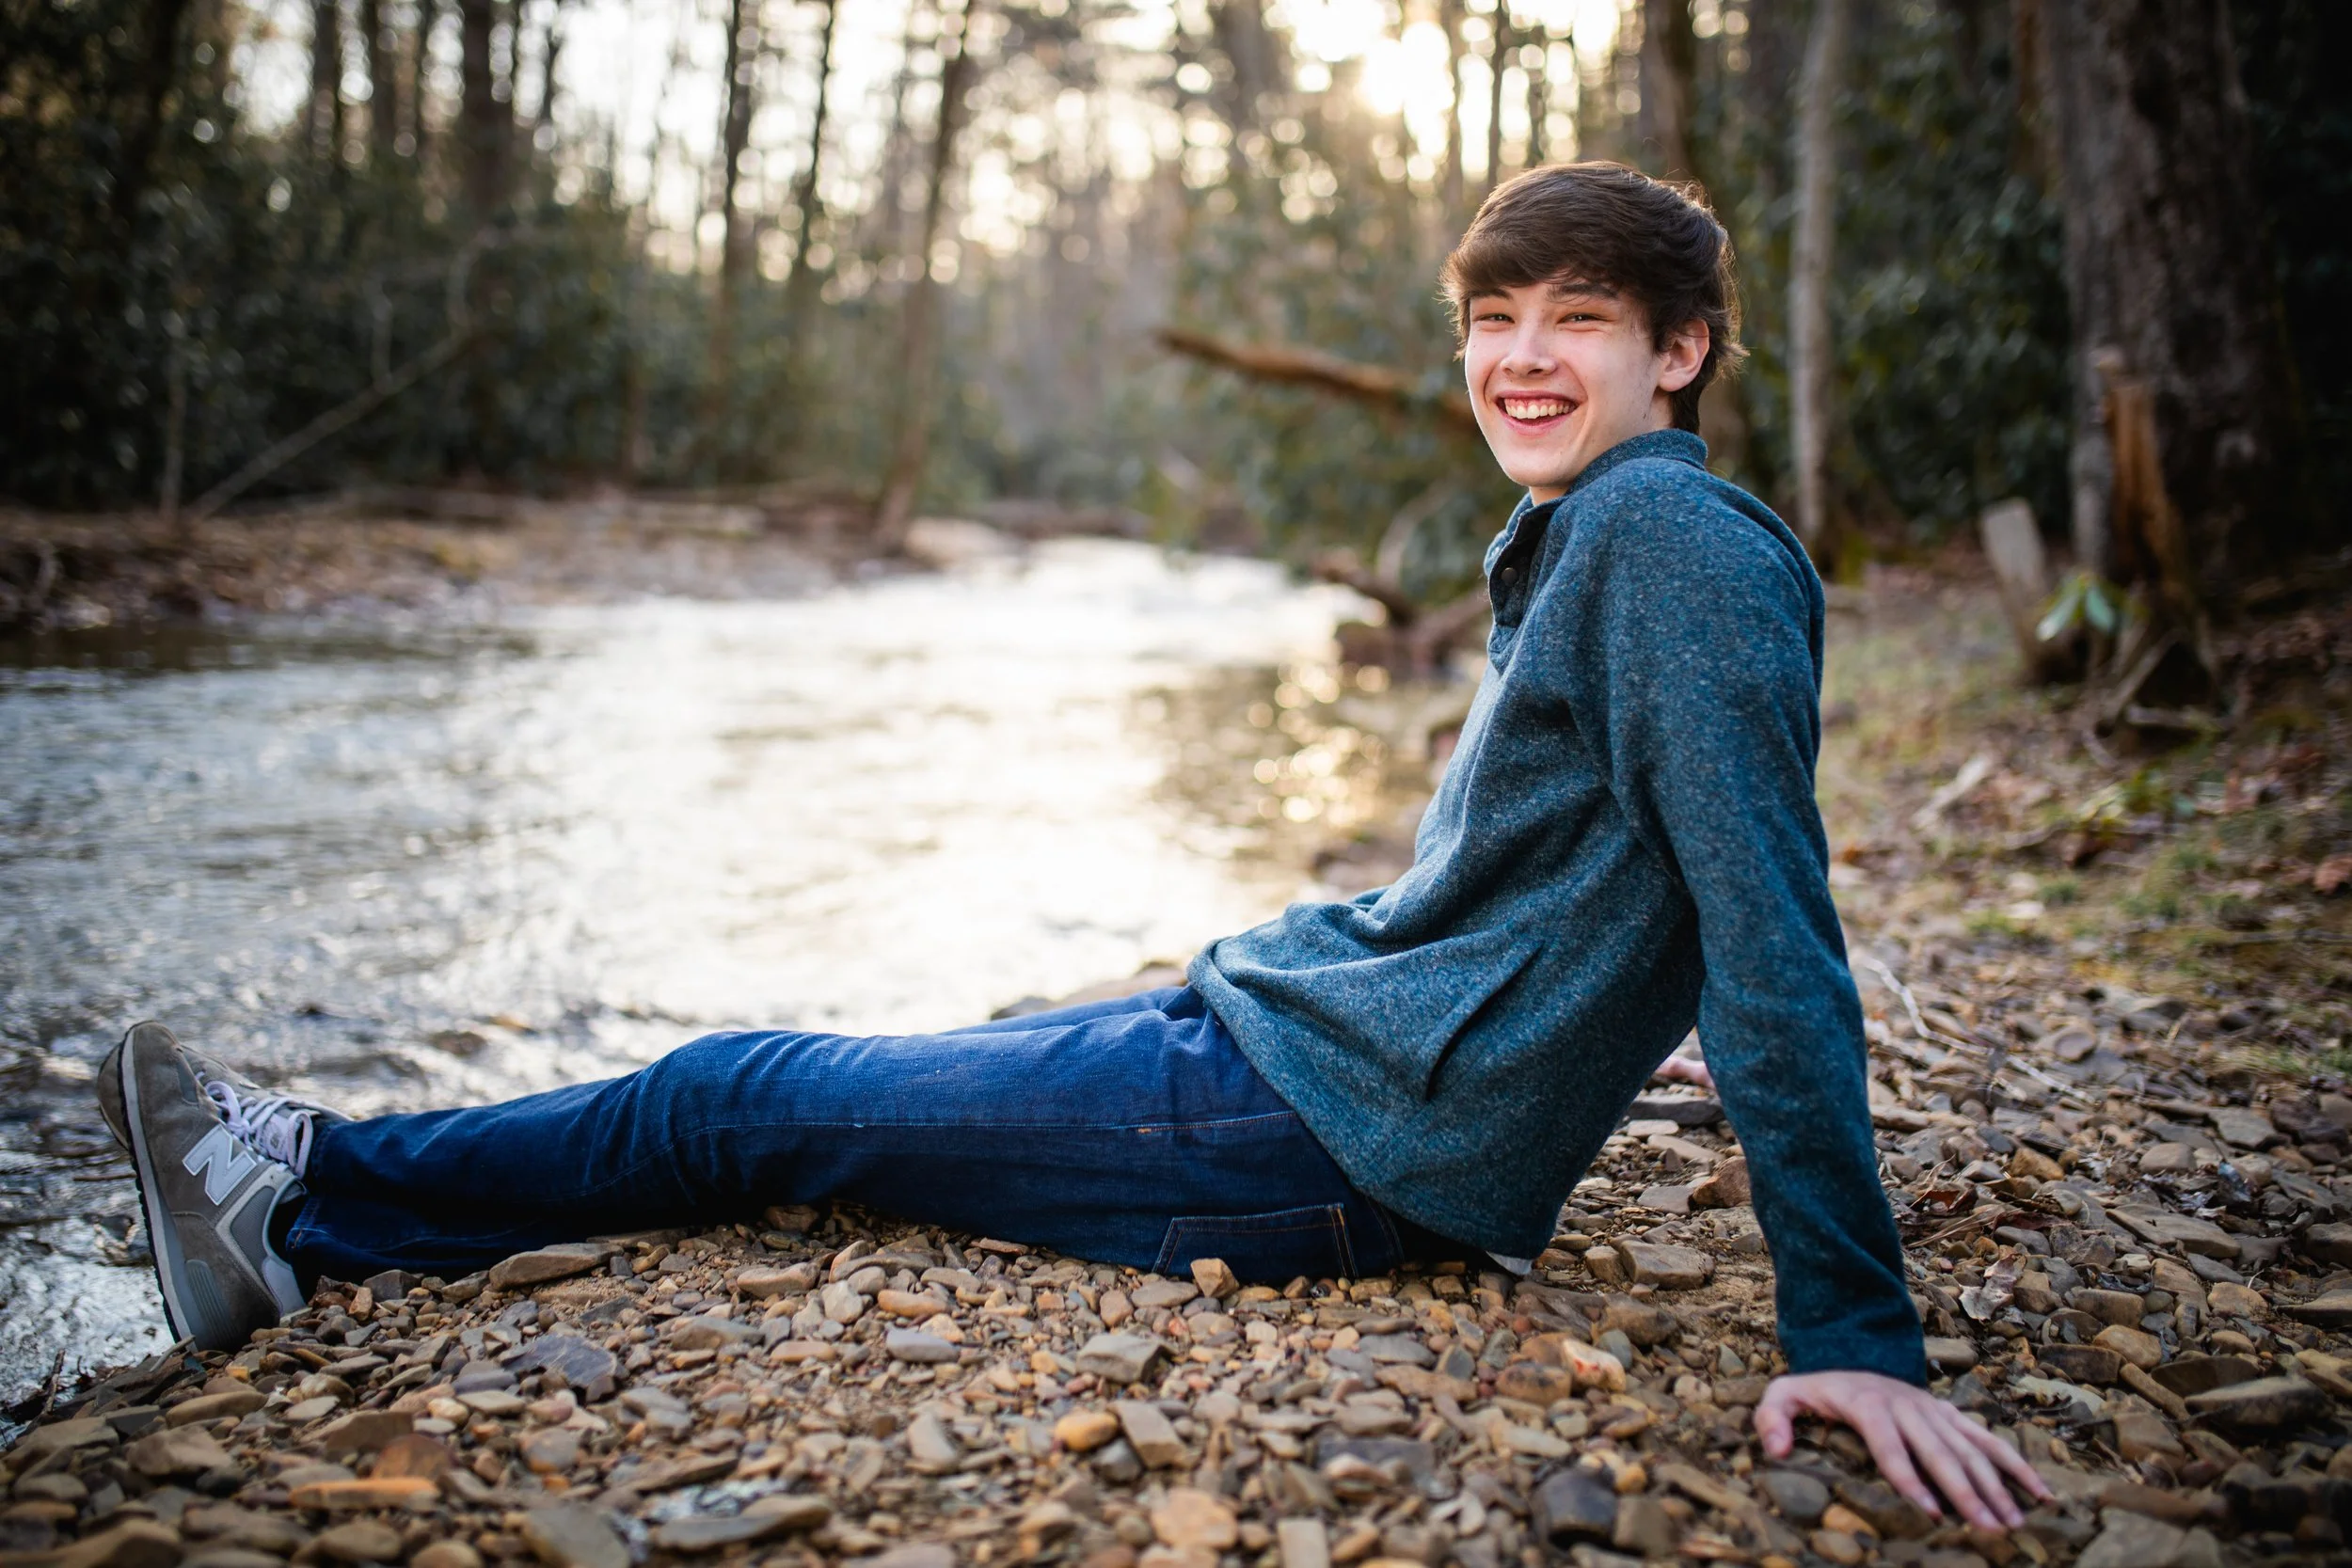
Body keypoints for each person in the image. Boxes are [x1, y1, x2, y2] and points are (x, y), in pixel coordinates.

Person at [100, 161, 2047, 1530]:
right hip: (1317, 1058)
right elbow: (1659, 870)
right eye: (1491, 322)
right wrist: (1613, 1014)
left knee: (744, 1093)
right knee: (847, 1076)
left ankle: (305, 1205)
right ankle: (339, 1192)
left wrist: (1852, 1330)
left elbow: (1772, 916)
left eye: (1579, 324)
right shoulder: (1615, 534)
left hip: (1318, 1134)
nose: (1518, 360)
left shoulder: (1666, 545)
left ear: (1680, 352)